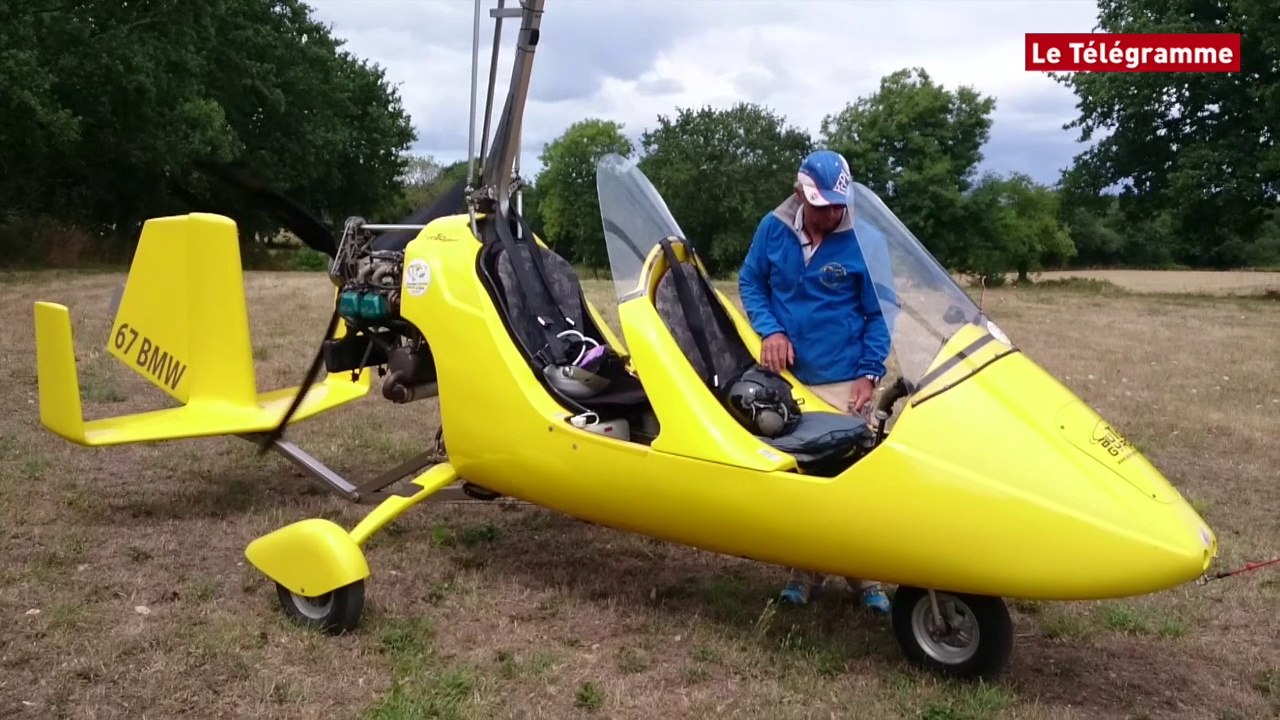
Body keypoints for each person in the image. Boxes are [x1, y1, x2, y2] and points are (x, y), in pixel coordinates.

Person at [737, 149, 892, 615]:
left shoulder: (866, 241)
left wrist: (868, 374)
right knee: (800, 479)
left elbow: (879, 313)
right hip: (785, 383)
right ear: (800, 194)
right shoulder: (773, 228)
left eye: (836, 204)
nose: (830, 213)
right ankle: (803, 573)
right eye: (821, 204)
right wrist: (771, 329)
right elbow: (751, 283)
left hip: (844, 380)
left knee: (848, 478)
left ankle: (865, 578)